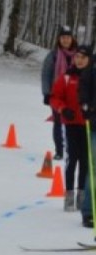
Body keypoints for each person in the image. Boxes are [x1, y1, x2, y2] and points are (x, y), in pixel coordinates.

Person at [49, 45, 90, 212]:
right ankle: (69, 196)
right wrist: (62, 108)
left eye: (83, 57)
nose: (79, 60)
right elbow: (55, 97)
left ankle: (82, 196)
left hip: (88, 125)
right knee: (71, 160)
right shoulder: (66, 77)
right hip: (71, 125)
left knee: (86, 161)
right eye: (77, 57)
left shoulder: (91, 78)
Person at [41, 25, 77, 160]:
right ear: (59, 39)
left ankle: (72, 149)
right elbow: (46, 74)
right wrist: (46, 93)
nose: (66, 40)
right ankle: (59, 151)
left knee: (73, 123)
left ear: (72, 39)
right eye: (63, 38)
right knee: (57, 122)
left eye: (68, 37)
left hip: (73, 95)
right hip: (56, 95)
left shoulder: (78, 54)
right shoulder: (53, 55)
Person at [78, 46, 96, 227]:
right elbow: (82, 90)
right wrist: (86, 106)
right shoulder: (91, 70)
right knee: (94, 169)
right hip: (95, 125)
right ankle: (89, 211)